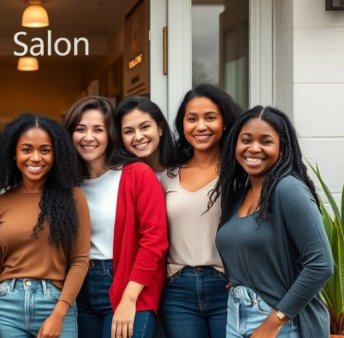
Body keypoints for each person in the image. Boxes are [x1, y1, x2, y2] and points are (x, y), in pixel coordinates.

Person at [212, 105, 333, 338]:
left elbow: (321, 265)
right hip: (237, 314)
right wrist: (241, 279)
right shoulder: (242, 193)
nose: (253, 148)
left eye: (266, 141)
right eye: (245, 140)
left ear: (282, 148)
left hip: (279, 320)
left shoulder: (289, 189)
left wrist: (273, 322)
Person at [64, 96, 168, 338]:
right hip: (81, 287)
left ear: (110, 134)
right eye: (80, 129)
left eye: (98, 129)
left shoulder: (137, 174)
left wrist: (129, 299)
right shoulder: (69, 184)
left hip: (129, 284)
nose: (88, 137)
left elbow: (154, 241)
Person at [0, 113, 91, 338]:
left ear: (55, 154)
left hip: (55, 302)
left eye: (45, 150)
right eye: (26, 149)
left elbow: (80, 261)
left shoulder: (73, 197)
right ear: (14, 154)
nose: (35, 158)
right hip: (6, 307)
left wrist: (59, 314)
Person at [158, 84, 241, 338]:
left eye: (210, 117)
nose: (201, 126)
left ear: (225, 122)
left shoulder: (239, 174)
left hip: (226, 286)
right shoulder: (167, 176)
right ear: (183, 125)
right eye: (192, 119)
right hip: (177, 289)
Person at [114, 96, 175, 174]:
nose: (138, 137)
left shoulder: (183, 169)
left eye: (145, 127)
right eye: (129, 131)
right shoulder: (118, 176)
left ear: (160, 128)